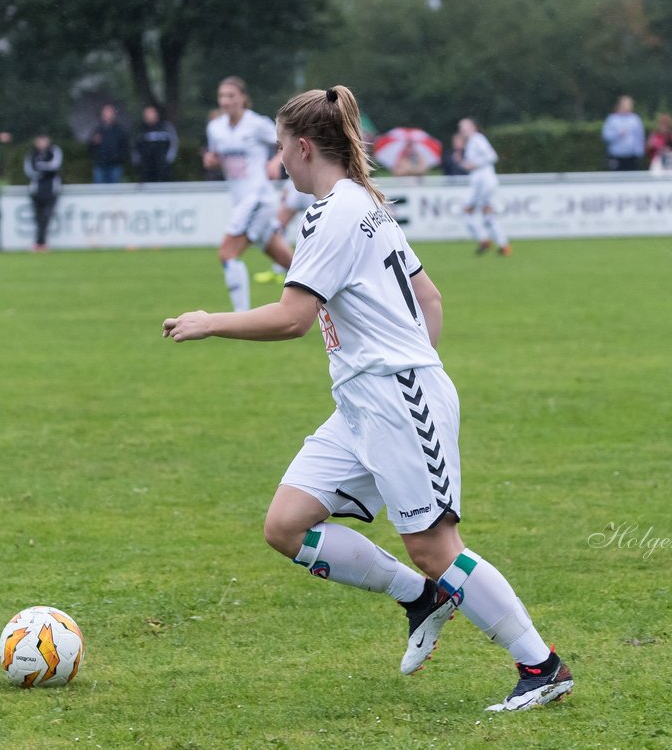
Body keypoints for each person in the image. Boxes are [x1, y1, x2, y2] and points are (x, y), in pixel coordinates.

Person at [163, 84, 573, 713]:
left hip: (397, 395)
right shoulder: (362, 203)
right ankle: (420, 597)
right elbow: (429, 299)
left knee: (436, 546)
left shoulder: (336, 213)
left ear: (304, 148)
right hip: (365, 403)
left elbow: (294, 318)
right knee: (286, 525)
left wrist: (211, 321)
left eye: (280, 150)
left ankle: (541, 667)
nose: (277, 163)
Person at [202, 75, 292, 311]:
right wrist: (211, 161)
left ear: (243, 98)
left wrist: (276, 160)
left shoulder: (257, 124)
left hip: (258, 199)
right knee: (289, 262)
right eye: (222, 96)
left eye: (231, 95)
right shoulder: (215, 128)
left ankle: (241, 316)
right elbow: (216, 157)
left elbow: (287, 142)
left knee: (227, 254)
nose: (225, 101)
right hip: (241, 201)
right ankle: (335, 299)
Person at [459, 117, 510, 255]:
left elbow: (492, 156)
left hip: (484, 184)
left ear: (474, 127)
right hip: (483, 184)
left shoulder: (477, 139)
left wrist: (474, 164)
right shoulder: (471, 142)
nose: (463, 130)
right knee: (488, 215)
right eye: (461, 127)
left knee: (468, 212)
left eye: (466, 126)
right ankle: (502, 245)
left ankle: (486, 241)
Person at [23, 133, 63, 251]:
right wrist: (45, 171)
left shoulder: (54, 151)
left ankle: (41, 242)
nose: (42, 143)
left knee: (46, 216)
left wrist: (40, 167)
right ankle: (39, 242)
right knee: (38, 217)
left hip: (51, 190)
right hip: (36, 190)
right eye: (39, 140)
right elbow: (30, 171)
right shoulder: (31, 154)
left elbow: (55, 167)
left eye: (44, 140)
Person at [134, 104, 179, 184]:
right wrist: (137, 159)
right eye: (148, 113)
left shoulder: (165, 126)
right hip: (146, 167)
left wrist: (169, 157)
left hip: (162, 166)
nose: (150, 115)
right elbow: (135, 146)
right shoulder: (140, 128)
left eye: (152, 112)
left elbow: (174, 142)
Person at [89, 104, 130, 184]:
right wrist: (93, 142)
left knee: (114, 192)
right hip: (100, 165)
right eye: (105, 112)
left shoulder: (120, 130)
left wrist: (119, 158)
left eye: (109, 112)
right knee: (99, 192)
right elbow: (90, 147)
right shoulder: (97, 129)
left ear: (114, 114)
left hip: (115, 165)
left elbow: (125, 146)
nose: (107, 115)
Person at [601, 95, 644, 171]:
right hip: (616, 156)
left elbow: (639, 137)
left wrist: (639, 153)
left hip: (632, 156)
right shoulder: (612, 119)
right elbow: (606, 136)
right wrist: (617, 135)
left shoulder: (635, 119)